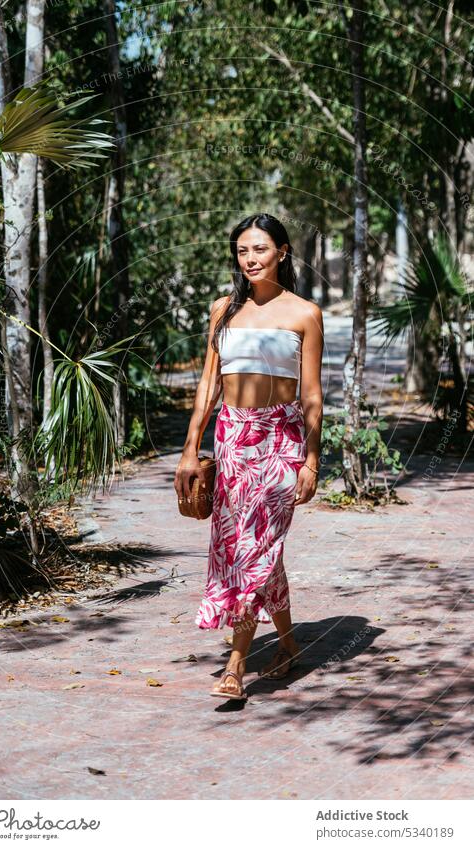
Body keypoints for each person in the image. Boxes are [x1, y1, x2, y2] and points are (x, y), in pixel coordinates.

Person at [174, 213, 324, 700]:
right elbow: (208, 386)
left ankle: (236, 665)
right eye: (242, 251)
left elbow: (313, 396)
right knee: (251, 548)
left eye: (260, 249)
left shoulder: (304, 313)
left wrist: (312, 461)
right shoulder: (224, 310)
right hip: (232, 440)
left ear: (282, 251)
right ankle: (289, 646)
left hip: (281, 441)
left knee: (253, 549)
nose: (250, 259)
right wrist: (190, 451)